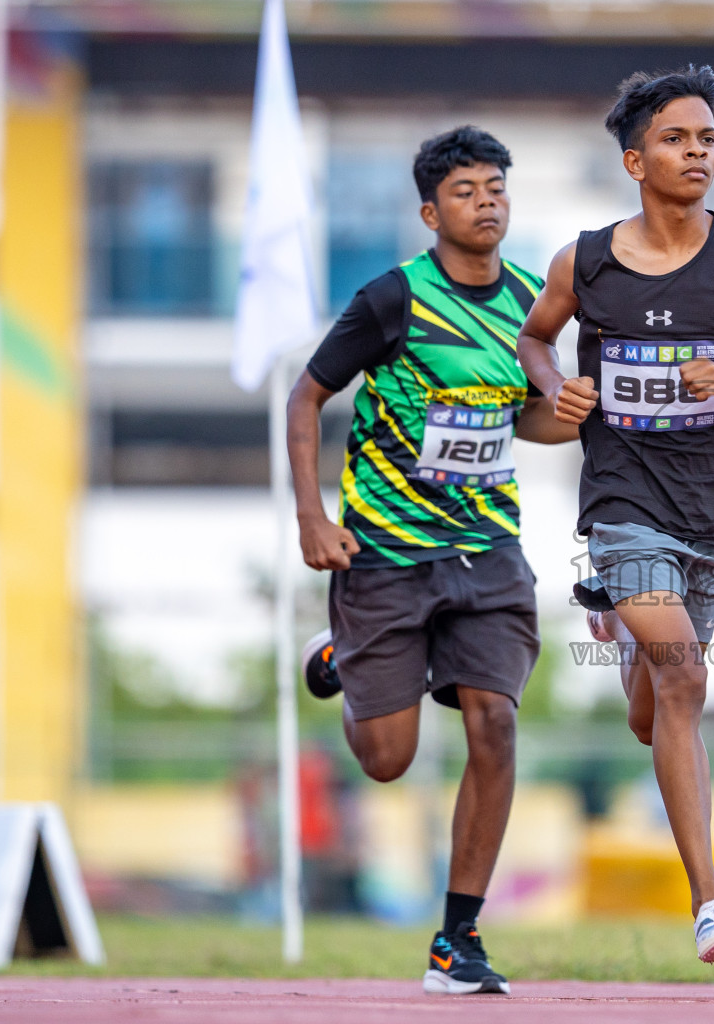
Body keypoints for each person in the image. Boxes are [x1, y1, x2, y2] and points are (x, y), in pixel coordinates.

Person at [516, 65, 714, 963]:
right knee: (684, 679)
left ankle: (619, 624)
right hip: (623, 497)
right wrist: (555, 386)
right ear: (634, 160)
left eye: (708, 139)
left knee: (653, 712)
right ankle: (711, 903)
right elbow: (535, 335)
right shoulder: (587, 259)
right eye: (679, 139)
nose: (698, 153)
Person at [288, 125, 575, 996]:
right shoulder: (393, 301)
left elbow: (526, 414)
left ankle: (459, 940)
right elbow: (307, 398)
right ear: (429, 211)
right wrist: (313, 517)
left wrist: (577, 411)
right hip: (385, 555)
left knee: (495, 722)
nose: (486, 200)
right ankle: (348, 655)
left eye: (497, 186)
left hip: (487, 549)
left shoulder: (532, 302)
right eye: (466, 190)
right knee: (386, 759)